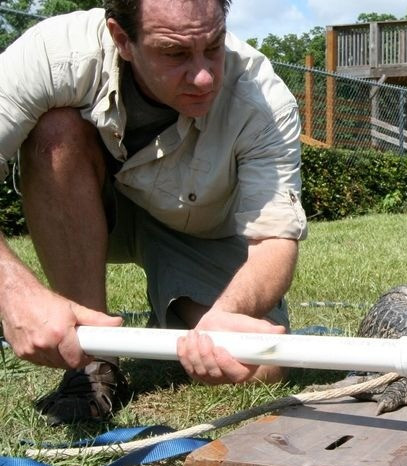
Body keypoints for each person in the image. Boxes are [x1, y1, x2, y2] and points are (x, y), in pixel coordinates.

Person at [0, 0, 308, 425]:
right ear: (122, 39)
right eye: (175, 53)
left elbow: (274, 240)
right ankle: (91, 363)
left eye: (214, 46)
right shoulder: (55, 55)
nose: (203, 77)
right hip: (88, 203)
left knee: (256, 366)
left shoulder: (263, 101)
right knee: (56, 131)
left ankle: (191, 309)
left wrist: (226, 312)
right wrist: (14, 292)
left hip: (199, 231)